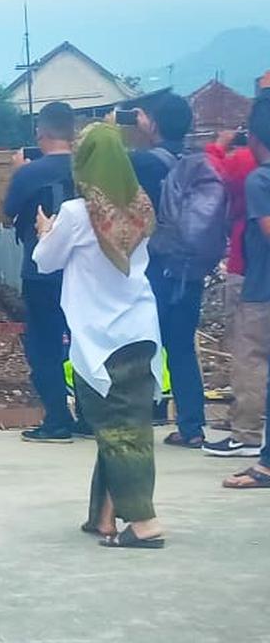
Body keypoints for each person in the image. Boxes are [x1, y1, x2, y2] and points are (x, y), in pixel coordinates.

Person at [33, 122, 166, 548]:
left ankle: (144, 523)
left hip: (101, 339)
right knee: (124, 424)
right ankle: (104, 517)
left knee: (120, 432)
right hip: (141, 330)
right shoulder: (140, 206)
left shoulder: (77, 213)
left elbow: (45, 261)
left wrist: (45, 232)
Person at [127, 93, 214, 448]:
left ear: (154, 125)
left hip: (154, 268)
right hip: (190, 268)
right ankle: (192, 427)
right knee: (181, 348)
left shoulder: (143, 163)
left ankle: (132, 419)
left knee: (138, 343)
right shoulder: (199, 162)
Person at [1, 101, 87, 443]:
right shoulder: (87, 168)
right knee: (84, 341)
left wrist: (17, 172)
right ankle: (90, 416)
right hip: (84, 273)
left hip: (41, 273)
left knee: (44, 346)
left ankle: (57, 420)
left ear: (41, 132)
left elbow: (6, 215)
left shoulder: (29, 174)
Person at [203, 128, 263, 457]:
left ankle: (247, 432)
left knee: (248, 353)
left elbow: (213, 175)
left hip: (247, 268)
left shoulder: (248, 164)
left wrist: (218, 145)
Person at [224, 96, 270, 488]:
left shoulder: (260, 179)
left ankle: (251, 439)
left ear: (254, 138)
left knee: (252, 360)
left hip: (261, 289)